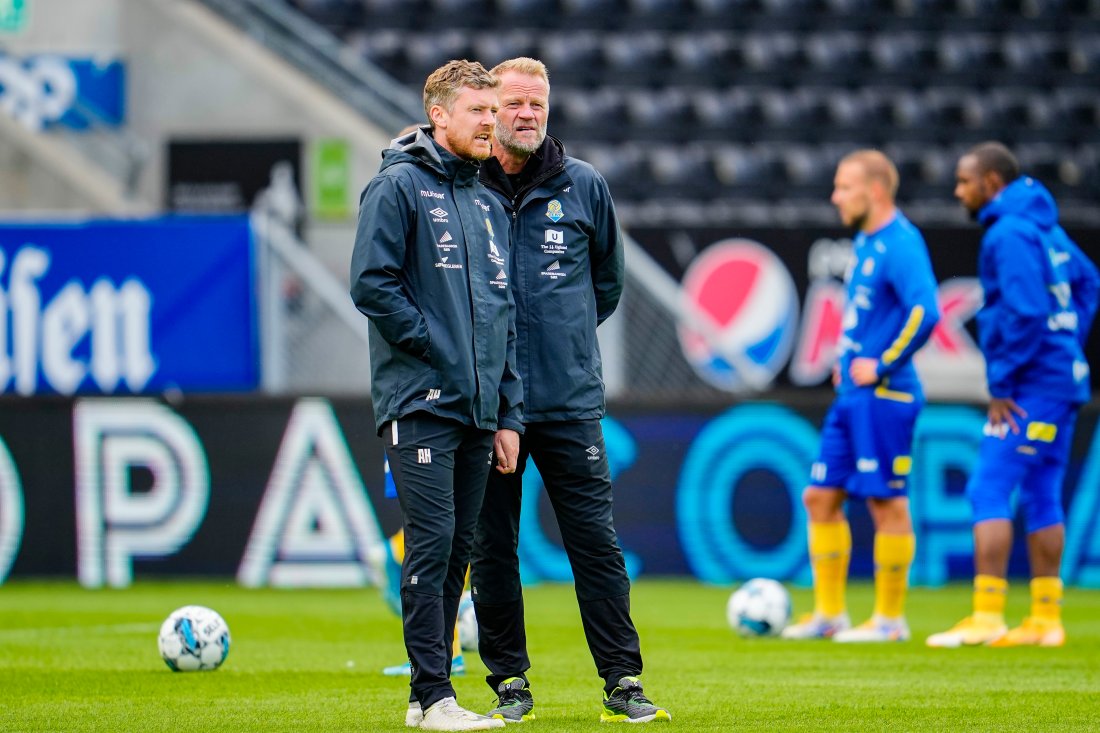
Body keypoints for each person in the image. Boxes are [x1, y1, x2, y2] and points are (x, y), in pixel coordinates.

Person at [469, 57, 670, 725]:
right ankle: (509, 683)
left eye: (538, 104)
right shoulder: (463, 187)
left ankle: (623, 679)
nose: (527, 113)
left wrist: (566, 344)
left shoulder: (585, 186)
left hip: (568, 403)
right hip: (489, 406)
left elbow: (605, 287)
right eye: (516, 102)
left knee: (595, 544)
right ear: (490, 109)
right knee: (493, 546)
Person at [350, 59, 523, 732]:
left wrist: (506, 412)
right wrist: (433, 346)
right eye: (477, 111)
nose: (491, 122)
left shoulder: (486, 201)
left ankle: (430, 698)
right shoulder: (396, 186)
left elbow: (501, 313)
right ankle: (431, 695)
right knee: (431, 542)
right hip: (420, 398)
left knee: (457, 551)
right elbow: (372, 282)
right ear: (440, 115)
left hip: (479, 410)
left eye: (493, 110)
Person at [926, 142, 1099, 649]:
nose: (958, 191)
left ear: (991, 183)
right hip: (1061, 380)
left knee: (988, 488)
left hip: (1031, 387)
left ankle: (987, 615)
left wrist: (1003, 383)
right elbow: (1088, 283)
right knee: (1043, 491)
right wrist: (1068, 339)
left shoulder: (1008, 233)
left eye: (964, 181)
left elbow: (1024, 311)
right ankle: (1046, 620)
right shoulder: (1046, 227)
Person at [781, 150, 941, 643]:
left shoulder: (901, 242)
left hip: (887, 394)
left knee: (885, 503)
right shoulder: (868, 242)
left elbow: (926, 310)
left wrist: (882, 362)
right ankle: (831, 615)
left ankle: (890, 621)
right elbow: (870, 317)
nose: (835, 196)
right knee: (820, 496)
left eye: (843, 186)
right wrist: (846, 359)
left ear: (874, 190)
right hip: (852, 393)